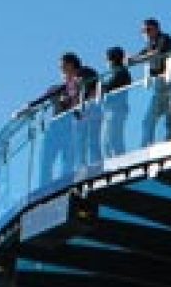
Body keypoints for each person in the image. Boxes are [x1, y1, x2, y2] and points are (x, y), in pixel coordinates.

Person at [31, 52, 97, 186]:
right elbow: (42, 99)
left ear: (71, 65)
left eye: (63, 65)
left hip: (70, 128)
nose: (60, 69)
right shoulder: (56, 88)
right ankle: (44, 186)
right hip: (55, 129)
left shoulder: (82, 80)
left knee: (67, 160)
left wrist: (77, 86)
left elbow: (89, 87)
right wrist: (29, 106)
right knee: (46, 159)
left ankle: (64, 183)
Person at [128, 17, 171, 145]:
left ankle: (170, 144)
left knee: (170, 118)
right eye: (143, 31)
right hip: (160, 88)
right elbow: (140, 55)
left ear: (156, 29)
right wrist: (130, 59)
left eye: (148, 30)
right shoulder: (149, 45)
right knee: (148, 119)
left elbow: (155, 53)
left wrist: (135, 60)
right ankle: (146, 147)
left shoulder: (164, 39)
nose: (145, 33)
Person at [97, 46, 132, 158]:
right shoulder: (118, 72)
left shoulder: (121, 72)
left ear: (112, 60)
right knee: (108, 140)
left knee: (111, 139)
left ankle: (118, 162)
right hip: (112, 110)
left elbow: (109, 86)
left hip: (116, 110)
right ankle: (114, 161)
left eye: (107, 60)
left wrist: (101, 86)